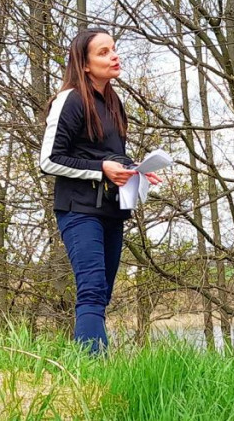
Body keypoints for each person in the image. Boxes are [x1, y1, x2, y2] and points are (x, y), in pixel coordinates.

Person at [38, 28, 160, 354]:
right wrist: (100, 169)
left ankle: (90, 366)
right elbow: (49, 160)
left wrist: (138, 171)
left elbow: (105, 155)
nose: (114, 56)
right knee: (91, 290)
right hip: (78, 209)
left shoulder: (114, 102)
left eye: (114, 49)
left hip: (111, 209)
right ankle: (93, 371)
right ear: (86, 64)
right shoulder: (71, 100)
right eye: (104, 52)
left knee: (102, 294)